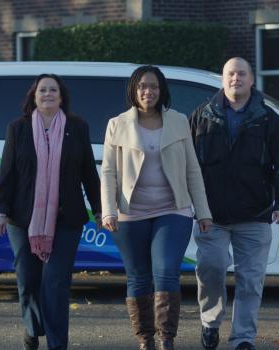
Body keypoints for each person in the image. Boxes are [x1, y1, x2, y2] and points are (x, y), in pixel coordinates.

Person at [101, 65, 212, 350]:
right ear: (133, 91)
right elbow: (109, 172)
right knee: (138, 276)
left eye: (153, 86)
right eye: (142, 86)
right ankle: (145, 340)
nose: (147, 91)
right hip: (129, 213)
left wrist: (203, 211)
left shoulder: (178, 121)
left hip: (172, 210)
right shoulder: (117, 124)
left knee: (166, 271)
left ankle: (166, 339)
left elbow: (192, 170)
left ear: (161, 91)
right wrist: (108, 210)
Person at [190, 57, 279, 350]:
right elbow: (187, 163)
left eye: (241, 74)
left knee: (251, 281)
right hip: (211, 215)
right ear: (223, 80)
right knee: (210, 269)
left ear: (252, 80)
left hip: (256, 214)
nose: (235, 78)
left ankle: (243, 338)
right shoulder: (202, 115)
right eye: (230, 74)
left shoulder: (268, 118)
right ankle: (210, 322)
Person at [0, 73, 101, 350]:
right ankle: (32, 328)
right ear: (34, 96)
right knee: (28, 282)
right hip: (22, 217)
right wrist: (1, 210)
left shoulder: (77, 127)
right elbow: (7, 174)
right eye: (43, 90)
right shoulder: (17, 129)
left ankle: (57, 344)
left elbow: (89, 172)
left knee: (55, 283)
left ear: (62, 97)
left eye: (53, 90)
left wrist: (100, 209)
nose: (48, 94)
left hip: (67, 217)